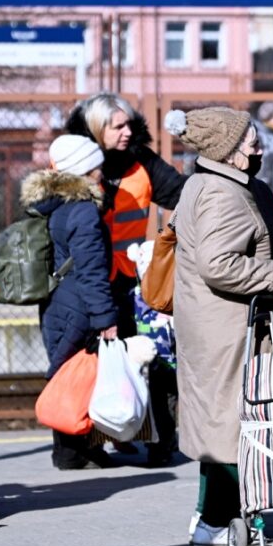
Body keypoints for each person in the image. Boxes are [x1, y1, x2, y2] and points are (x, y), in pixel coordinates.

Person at [164, 107, 273, 546]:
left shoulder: (209, 183)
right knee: (229, 426)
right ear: (225, 148)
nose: (258, 145)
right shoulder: (223, 193)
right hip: (226, 328)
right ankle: (216, 522)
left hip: (218, 325)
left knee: (222, 423)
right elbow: (218, 263)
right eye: (248, 139)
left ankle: (217, 515)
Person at [66, 94, 184, 464]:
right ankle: (88, 443)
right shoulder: (78, 166)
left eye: (129, 123)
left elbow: (181, 194)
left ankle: (161, 444)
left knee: (153, 359)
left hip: (135, 282)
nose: (127, 131)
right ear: (96, 130)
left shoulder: (142, 162)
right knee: (89, 362)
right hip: (89, 280)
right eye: (117, 125)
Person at [26, 135, 118, 470]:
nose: (102, 174)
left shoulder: (57, 205)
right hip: (77, 305)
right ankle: (69, 452)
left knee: (69, 373)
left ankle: (81, 449)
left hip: (56, 302)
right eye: (97, 167)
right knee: (76, 376)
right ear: (85, 170)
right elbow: (91, 269)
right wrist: (105, 317)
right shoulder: (83, 212)